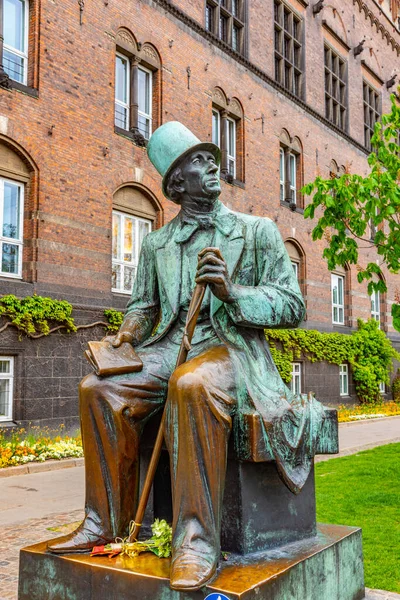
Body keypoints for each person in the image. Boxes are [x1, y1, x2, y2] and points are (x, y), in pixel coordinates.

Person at [48, 122, 325, 591]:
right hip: (165, 349)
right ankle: (105, 523)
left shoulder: (256, 232)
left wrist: (233, 292)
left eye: (211, 157)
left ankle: (195, 541)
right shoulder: (157, 244)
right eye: (198, 160)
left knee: (192, 384)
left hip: (231, 352)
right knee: (97, 389)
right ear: (177, 183)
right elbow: (143, 306)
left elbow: (292, 305)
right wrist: (127, 335)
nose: (212, 164)